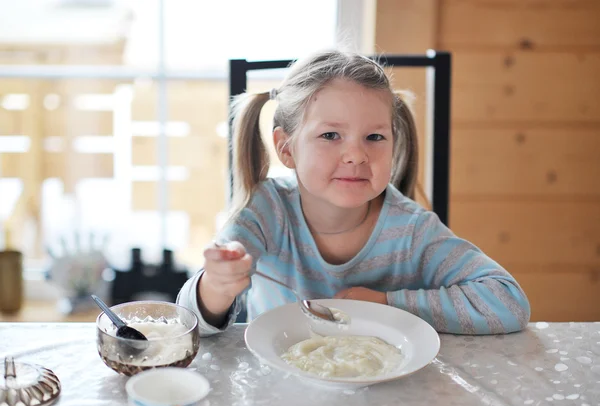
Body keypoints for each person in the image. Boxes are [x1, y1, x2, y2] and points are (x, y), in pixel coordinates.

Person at [176, 50, 530, 336]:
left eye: (374, 137)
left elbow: (509, 302)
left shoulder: (412, 230)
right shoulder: (265, 213)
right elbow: (188, 322)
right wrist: (215, 289)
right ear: (286, 148)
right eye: (330, 135)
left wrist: (388, 304)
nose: (356, 155)